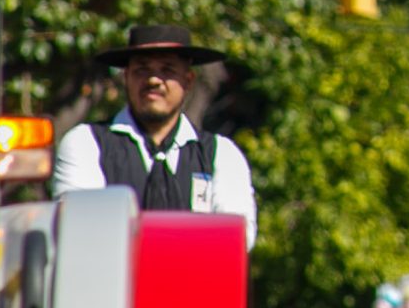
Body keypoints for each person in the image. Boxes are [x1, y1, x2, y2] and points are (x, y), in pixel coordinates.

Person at [52, 23, 258, 245]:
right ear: (126, 77)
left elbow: (236, 239)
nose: (153, 80)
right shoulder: (86, 144)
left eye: (167, 70)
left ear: (188, 80)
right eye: (142, 70)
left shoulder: (222, 155)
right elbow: (77, 229)